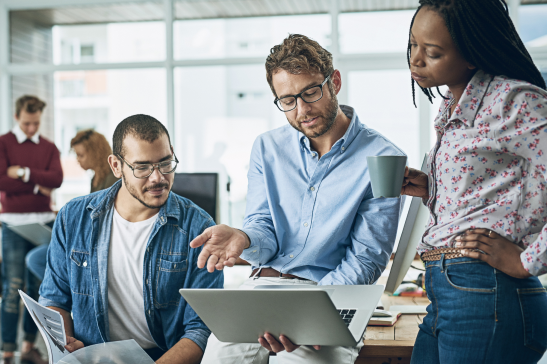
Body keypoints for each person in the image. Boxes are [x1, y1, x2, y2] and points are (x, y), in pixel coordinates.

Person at [192, 34, 406, 364]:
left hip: (331, 298)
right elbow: (264, 231)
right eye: (287, 100)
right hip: (263, 291)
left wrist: (307, 314)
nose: (302, 110)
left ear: (333, 82)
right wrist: (244, 237)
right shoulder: (267, 148)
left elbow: (366, 259)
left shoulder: (384, 158)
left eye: (310, 93)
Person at [401, 1, 547, 363]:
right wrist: (432, 187)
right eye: (412, 45)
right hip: (450, 291)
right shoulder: (454, 105)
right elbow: (491, 190)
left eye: (432, 52)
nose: (416, 60)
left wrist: (528, 260)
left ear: (472, 54)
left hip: (486, 292)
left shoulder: (513, 101)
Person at [38, 114, 223, 363]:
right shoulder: (74, 216)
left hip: (164, 356)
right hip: (91, 355)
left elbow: (200, 329)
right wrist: (66, 345)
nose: (158, 177)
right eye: (143, 167)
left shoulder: (199, 227)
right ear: (116, 166)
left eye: (165, 163)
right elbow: (54, 298)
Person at [0, 95, 63, 364]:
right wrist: (39, 183)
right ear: (16, 117)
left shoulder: (49, 147)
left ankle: (29, 345)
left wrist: (24, 174)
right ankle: (7, 348)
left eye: (35, 123)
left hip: (43, 222)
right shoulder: (3, 143)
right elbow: (2, 180)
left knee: (39, 287)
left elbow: (57, 179)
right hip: (13, 224)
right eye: (26, 123)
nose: (30, 129)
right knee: (12, 285)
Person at [26, 129, 119, 281]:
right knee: (38, 257)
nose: (77, 160)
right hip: (87, 238)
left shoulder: (112, 179)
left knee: (36, 259)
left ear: (95, 153)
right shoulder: (95, 178)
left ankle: (69, 289)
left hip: (96, 242)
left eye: (80, 155)